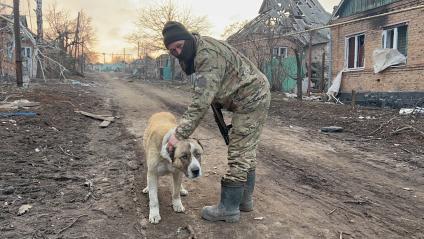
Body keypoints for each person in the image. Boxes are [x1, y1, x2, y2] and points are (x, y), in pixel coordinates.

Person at [162, 21, 270, 223]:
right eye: (172, 50)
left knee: (239, 151)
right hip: (251, 95)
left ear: (186, 38)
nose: (177, 51)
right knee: (246, 150)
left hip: (252, 97)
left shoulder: (206, 56)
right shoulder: (198, 48)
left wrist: (178, 135)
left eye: (178, 46)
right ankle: (244, 201)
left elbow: (200, 103)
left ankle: (229, 208)